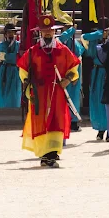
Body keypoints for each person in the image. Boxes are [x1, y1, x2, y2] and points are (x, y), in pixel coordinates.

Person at [17, 15, 81, 168]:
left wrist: (67, 79)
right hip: (39, 94)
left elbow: (73, 67)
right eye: (44, 31)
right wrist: (28, 88)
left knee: (56, 121)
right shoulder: (33, 52)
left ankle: (52, 154)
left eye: (49, 31)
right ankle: (45, 155)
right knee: (41, 123)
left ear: (54, 33)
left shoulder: (62, 50)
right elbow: (23, 71)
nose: (47, 34)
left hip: (57, 93)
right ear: (40, 33)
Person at [82, 21, 109, 141]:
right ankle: (100, 129)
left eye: (106, 31)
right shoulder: (94, 42)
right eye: (103, 31)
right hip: (96, 74)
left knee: (108, 102)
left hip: (108, 74)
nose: (105, 34)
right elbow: (84, 37)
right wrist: (98, 34)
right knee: (97, 101)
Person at [58, 25, 85, 132]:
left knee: (73, 98)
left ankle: (73, 122)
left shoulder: (75, 43)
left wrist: (75, 75)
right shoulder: (59, 40)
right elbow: (61, 39)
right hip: (60, 72)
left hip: (72, 72)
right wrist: (71, 30)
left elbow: (78, 59)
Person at [0, 23, 21, 108]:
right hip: (5, 71)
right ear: (5, 34)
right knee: (4, 93)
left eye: (12, 32)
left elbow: (19, 57)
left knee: (15, 93)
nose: (10, 34)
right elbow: (1, 56)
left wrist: (11, 56)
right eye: (8, 32)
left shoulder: (18, 45)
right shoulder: (2, 45)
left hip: (15, 71)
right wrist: (14, 56)